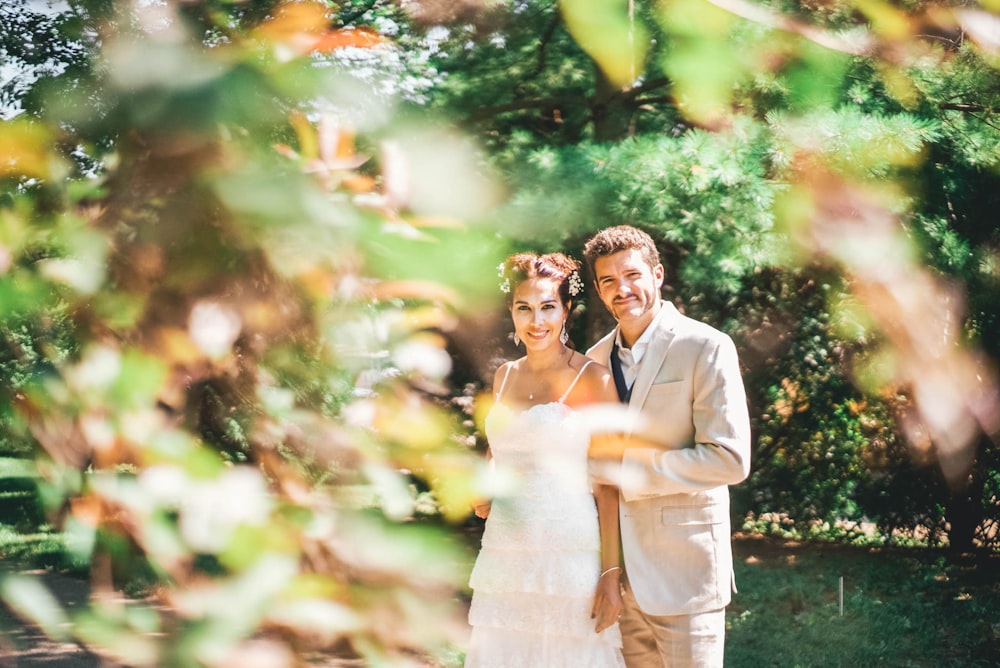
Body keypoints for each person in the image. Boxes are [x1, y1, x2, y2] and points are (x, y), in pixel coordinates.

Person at [582, 225, 752, 668]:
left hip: (686, 572)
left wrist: (632, 472)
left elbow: (729, 459)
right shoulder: (593, 360)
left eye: (632, 275)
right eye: (608, 281)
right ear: (599, 292)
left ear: (657, 274)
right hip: (618, 582)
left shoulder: (706, 346)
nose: (622, 289)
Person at [466, 252, 626, 667]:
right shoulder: (504, 377)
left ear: (566, 310)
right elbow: (499, 446)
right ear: (512, 313)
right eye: (525, 309)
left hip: (568, 552)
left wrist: (611, 574)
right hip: (506, 551)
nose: (536, 321)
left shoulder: (593, 377)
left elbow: (608, 485)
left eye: (547, 307)